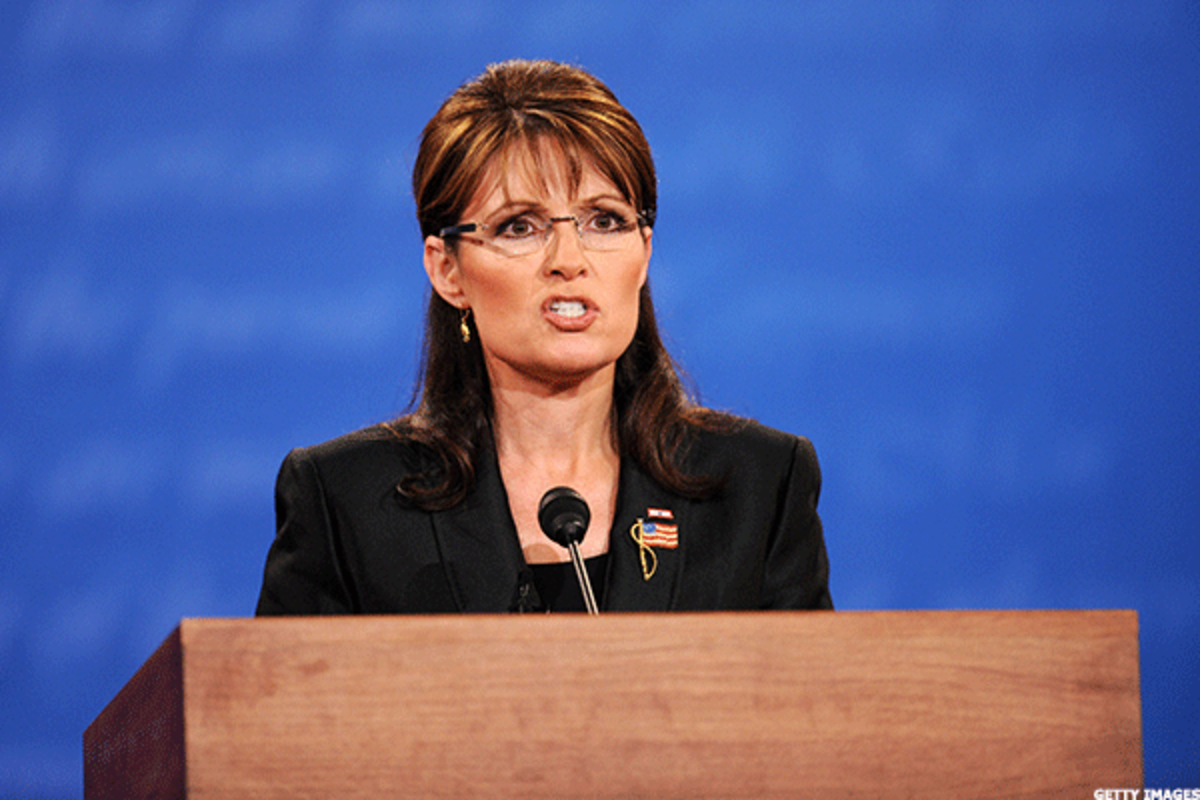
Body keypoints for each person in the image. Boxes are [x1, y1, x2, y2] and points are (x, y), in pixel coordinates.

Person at [255, 59, 832, 615]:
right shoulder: (345, 502)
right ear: (448, 271)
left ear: (644, 251)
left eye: (604, 220)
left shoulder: (760, 487)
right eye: (520, 227)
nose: (569, 259)